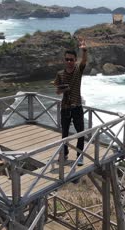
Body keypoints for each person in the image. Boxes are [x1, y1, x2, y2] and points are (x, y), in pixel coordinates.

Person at [53, 37, 88, 166]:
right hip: (65, 107)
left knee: (81, 133)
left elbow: (84, 61)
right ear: (64, 60)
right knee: (65, 134)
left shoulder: (78, 70)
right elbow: (57, 91)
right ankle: (65, 153)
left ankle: (80, 156)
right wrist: (62, 90)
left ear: (75, 60)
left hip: (77, 106)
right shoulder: (60, 74)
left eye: (71, 59)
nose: (68, 61)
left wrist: (84, 50)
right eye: (66, 59)